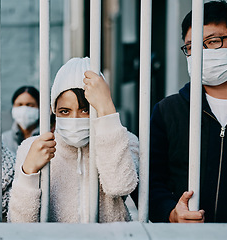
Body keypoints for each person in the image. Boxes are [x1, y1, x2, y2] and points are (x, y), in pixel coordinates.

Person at [8, 57, 139, 223]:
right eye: (64, 111)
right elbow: (20, 223)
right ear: (53, 110)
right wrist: (29, 172)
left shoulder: (124, 141)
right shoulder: (32, 148)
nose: (75, 118)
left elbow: (120, 186)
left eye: (85, 110)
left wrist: (107, 110)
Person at [149, 0, 227, 223]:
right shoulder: (167, 112)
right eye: (192, 46)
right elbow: (151, 182)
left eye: (213, 41)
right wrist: (172, 213)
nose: (202, 53)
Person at [2, 86, 40, 155]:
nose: (24, 109)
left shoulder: (48, 136)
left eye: (30, 105)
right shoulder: (4, 139)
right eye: (19, 105)